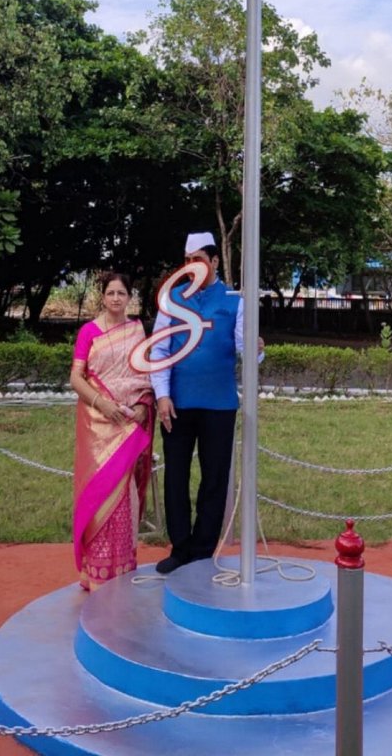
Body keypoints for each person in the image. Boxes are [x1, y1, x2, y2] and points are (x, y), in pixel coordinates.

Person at [149, 231, 264, 575]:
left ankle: (202, 551)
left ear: (213, 261)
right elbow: (158, 350)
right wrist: (162, 395)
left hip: (219, 404)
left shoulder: (234, 300)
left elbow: (246, 350)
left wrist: (258, 349)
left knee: (214, 479)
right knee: (176, 476)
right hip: (178, 403)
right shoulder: (172, 298)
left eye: (198, 260)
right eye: (187, 261)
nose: (191, 267)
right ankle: (180, 548)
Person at [70, 271, 155, 591]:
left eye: (122, 293)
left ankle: (121, 569)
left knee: (125, 497)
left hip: (127, 424)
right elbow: (76, 378)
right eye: (111, 293)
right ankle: (96, 573)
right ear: (102, 297)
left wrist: (143, 408)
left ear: (129, 297)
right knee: (98, 493)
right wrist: (102, 404)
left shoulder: (136, 331)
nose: (116, 298)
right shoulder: (88, 331)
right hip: (96, 422)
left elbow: (144, 377)